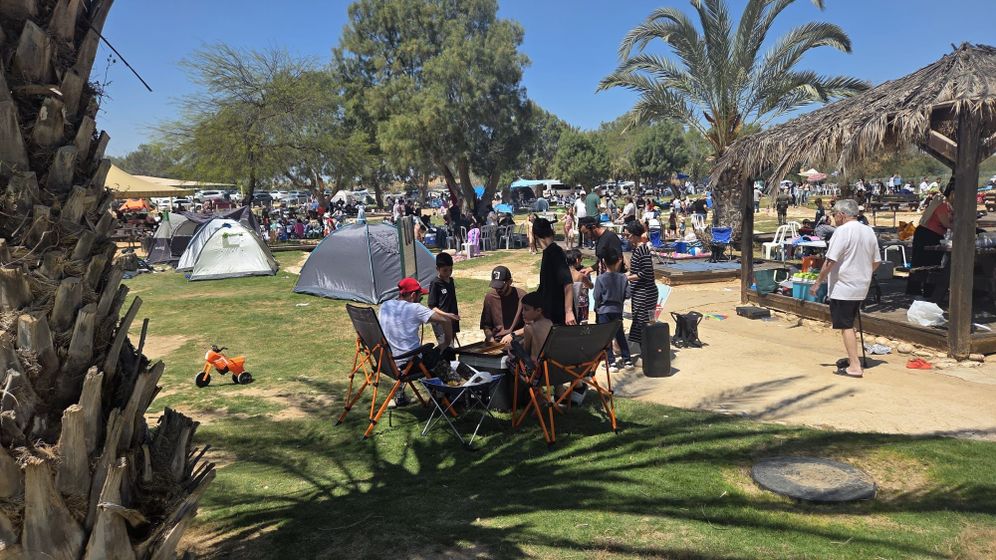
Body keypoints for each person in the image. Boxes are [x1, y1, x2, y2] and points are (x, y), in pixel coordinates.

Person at [811, 199, 880, 378]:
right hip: (861, 286)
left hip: (844, 286)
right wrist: (863, 274)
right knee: (850, 321)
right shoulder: (868, 231)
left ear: (842, 214)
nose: (833, 218)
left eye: (834, 214)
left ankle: (855, 366)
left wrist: (818, 281)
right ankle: (852, 358)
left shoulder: (841, 232)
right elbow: (877, 261)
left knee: (846, 325)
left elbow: (830, 261)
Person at [379, 277, 460, 405]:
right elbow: (447, 321)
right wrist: (445, 343)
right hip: (410, 364)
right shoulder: (415, 308)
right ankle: (453, 392)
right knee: (444, 353)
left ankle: (403, 395)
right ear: (412, 295)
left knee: (429, 353)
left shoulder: (385, 306)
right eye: (420, 296)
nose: (420, 300)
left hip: (388, 362)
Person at [593, 248, 633, 372]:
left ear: (604, 262)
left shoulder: (600, 278)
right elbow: (628, 294)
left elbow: (596, 296)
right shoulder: (623, 278)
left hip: (604, 310)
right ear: (618, 262)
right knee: (619, 334)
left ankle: (612, 362)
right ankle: (627, 360)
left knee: (606, 337)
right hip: (617, 309)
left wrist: (598, 305)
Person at [533, 217, 575, 325]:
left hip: (559, 313)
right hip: (550, 310)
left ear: (536, 235)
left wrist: (569, 311)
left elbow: (568, 282)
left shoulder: (555, 252)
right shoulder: (547, 252)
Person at [624, 221, 657, 352]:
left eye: (628, 235)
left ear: (635, 235)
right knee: (639, 319)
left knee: (642, 321)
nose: (627, 238)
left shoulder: (642, 249)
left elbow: (646, 272)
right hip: (640, 291)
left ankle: (647, 352)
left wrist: (627, 277)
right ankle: (644, 350)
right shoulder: (638, 249)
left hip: (645, 292)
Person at [481, 265, 525, 342]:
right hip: (496, 340)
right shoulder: (490, 297)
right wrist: (491, 340)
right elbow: (486, 326)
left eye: (501, 287)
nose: (498, 290)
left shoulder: (522, 296)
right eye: (495, 287)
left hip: (517, 338)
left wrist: (512, 335)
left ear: (510, 282)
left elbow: (531, 326)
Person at [428, 252, 459, 354]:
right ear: (438, 269)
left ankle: (450, 365)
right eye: (445, 270)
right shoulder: (435, 283)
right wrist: (446, 315)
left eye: (450, 269)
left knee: (451, 347)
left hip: (452, 320)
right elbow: (432, 306)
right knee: (446, 348)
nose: (448, 272)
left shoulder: (451, 281)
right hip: (441, 321)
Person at [518, 291, 553, 363]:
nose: (523, 312)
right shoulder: (550, 323)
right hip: (550, 366)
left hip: (537, 370)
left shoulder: (529, 329)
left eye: (526, 309)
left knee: (509, 360)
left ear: (538, 310)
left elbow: (525, 353)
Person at [565, 248, 593, 324]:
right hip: (582, 302)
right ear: (577, 260)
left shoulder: (563, 273)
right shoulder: (582, 274)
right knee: (582, 324)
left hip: (568, 303)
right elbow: (591, 286)